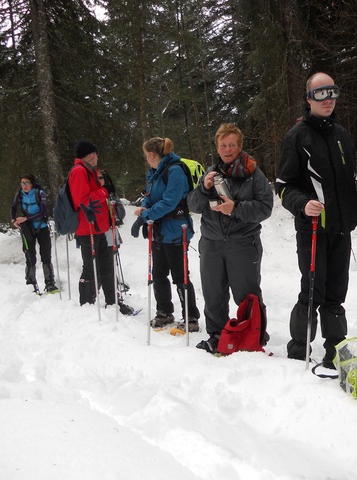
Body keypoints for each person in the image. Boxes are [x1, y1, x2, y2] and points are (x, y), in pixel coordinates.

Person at [276, 72, 357, 367]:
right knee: (313, 289)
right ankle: (299, 350)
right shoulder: (296, 137)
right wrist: (303, 205)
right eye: (320, 94)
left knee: (336, 293)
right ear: (309, 99)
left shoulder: (341, 134)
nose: (328, 100)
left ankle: (335, 353)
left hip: (341, 229)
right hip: (313, 228)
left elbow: (344, 184)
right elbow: (284, 186)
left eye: (332, 93)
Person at [187, 123, 273, 353]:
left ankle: (254, 333)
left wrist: (235, 208)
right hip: (212, 242)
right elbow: (193, 205)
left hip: (243, 242)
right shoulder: (210, 173)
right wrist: (204, 189)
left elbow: (265, 208)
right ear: (217, 147)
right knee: (213, 293)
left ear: (239, 146)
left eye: (232, 144)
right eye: (223, 145)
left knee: (247, 294)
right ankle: (217, 335)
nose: (227, 149)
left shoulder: (253, 173)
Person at [133, 137, 201, 332]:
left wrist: (146, 215)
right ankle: (164, 311)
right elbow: (148, 196)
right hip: (159, 231)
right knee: (159, 273)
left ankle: (191, 317)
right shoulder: (155, 173)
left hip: (176, 230)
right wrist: (144, 208)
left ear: (153, 155)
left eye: (147, 156)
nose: (146, 159)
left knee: (180, 275)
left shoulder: (175, 171)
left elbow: (170, 202)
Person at [69, 140, 132, 313]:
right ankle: (86, 307)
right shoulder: (79, 171)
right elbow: (83, 199)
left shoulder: (89, 171)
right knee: (90, 268)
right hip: (87, 228)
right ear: (90, 154)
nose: (98, 157)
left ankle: (113, 303)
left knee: (106, 265)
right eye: (96, 154)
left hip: (98, 227)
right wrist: (104, 191)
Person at [9, 174, 58, 293]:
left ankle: (50, 282)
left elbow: (42, 212)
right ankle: (31, 283)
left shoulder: (39, 193)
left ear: (32, 184)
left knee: (46, 256)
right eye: (22, 183)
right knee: (30, 257)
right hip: (28, 229)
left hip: (42, 227)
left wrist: (26, 218)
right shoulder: (19, 194)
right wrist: (13, 220)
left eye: (27, 183)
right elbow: (13, 208)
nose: (24, 186)